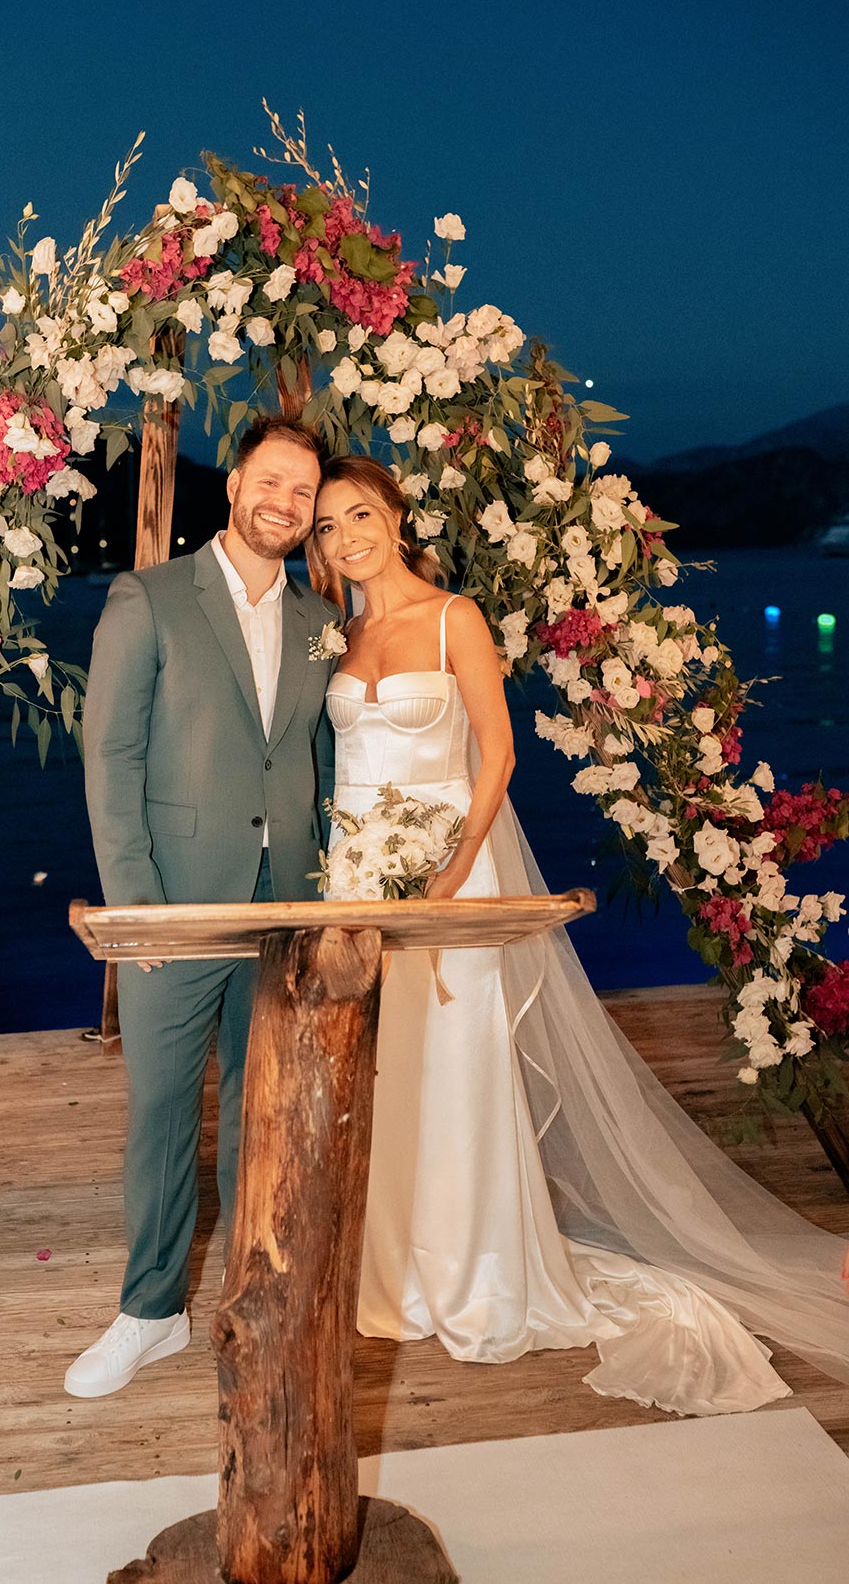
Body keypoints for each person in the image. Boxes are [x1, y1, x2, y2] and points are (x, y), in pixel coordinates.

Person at [309, 453, 849, 1416]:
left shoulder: (453, 617)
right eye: (325, 526)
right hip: (359, 877)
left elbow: (499, 750)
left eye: (358, 513)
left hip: (450, 871)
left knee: (458, 1069)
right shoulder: (340, 633)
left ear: (395, 513)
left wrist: (450, 864)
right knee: (383, 1073)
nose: (346, 536)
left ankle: (477, 1273)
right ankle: (389, 1273)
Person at [68, 416, 337, 1399]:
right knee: (162, 1109)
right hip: (176, 903)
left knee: (262, 1107)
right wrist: (136, 903)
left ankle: (250, 1298)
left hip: (287, 908)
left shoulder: (317, 618)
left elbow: (320, 760)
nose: (287, 502)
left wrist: (334, 890)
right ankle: (148, 1311)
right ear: (234, 484)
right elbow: (113, 758)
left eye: (304, 492)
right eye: (273, 480)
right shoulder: (151, 597)